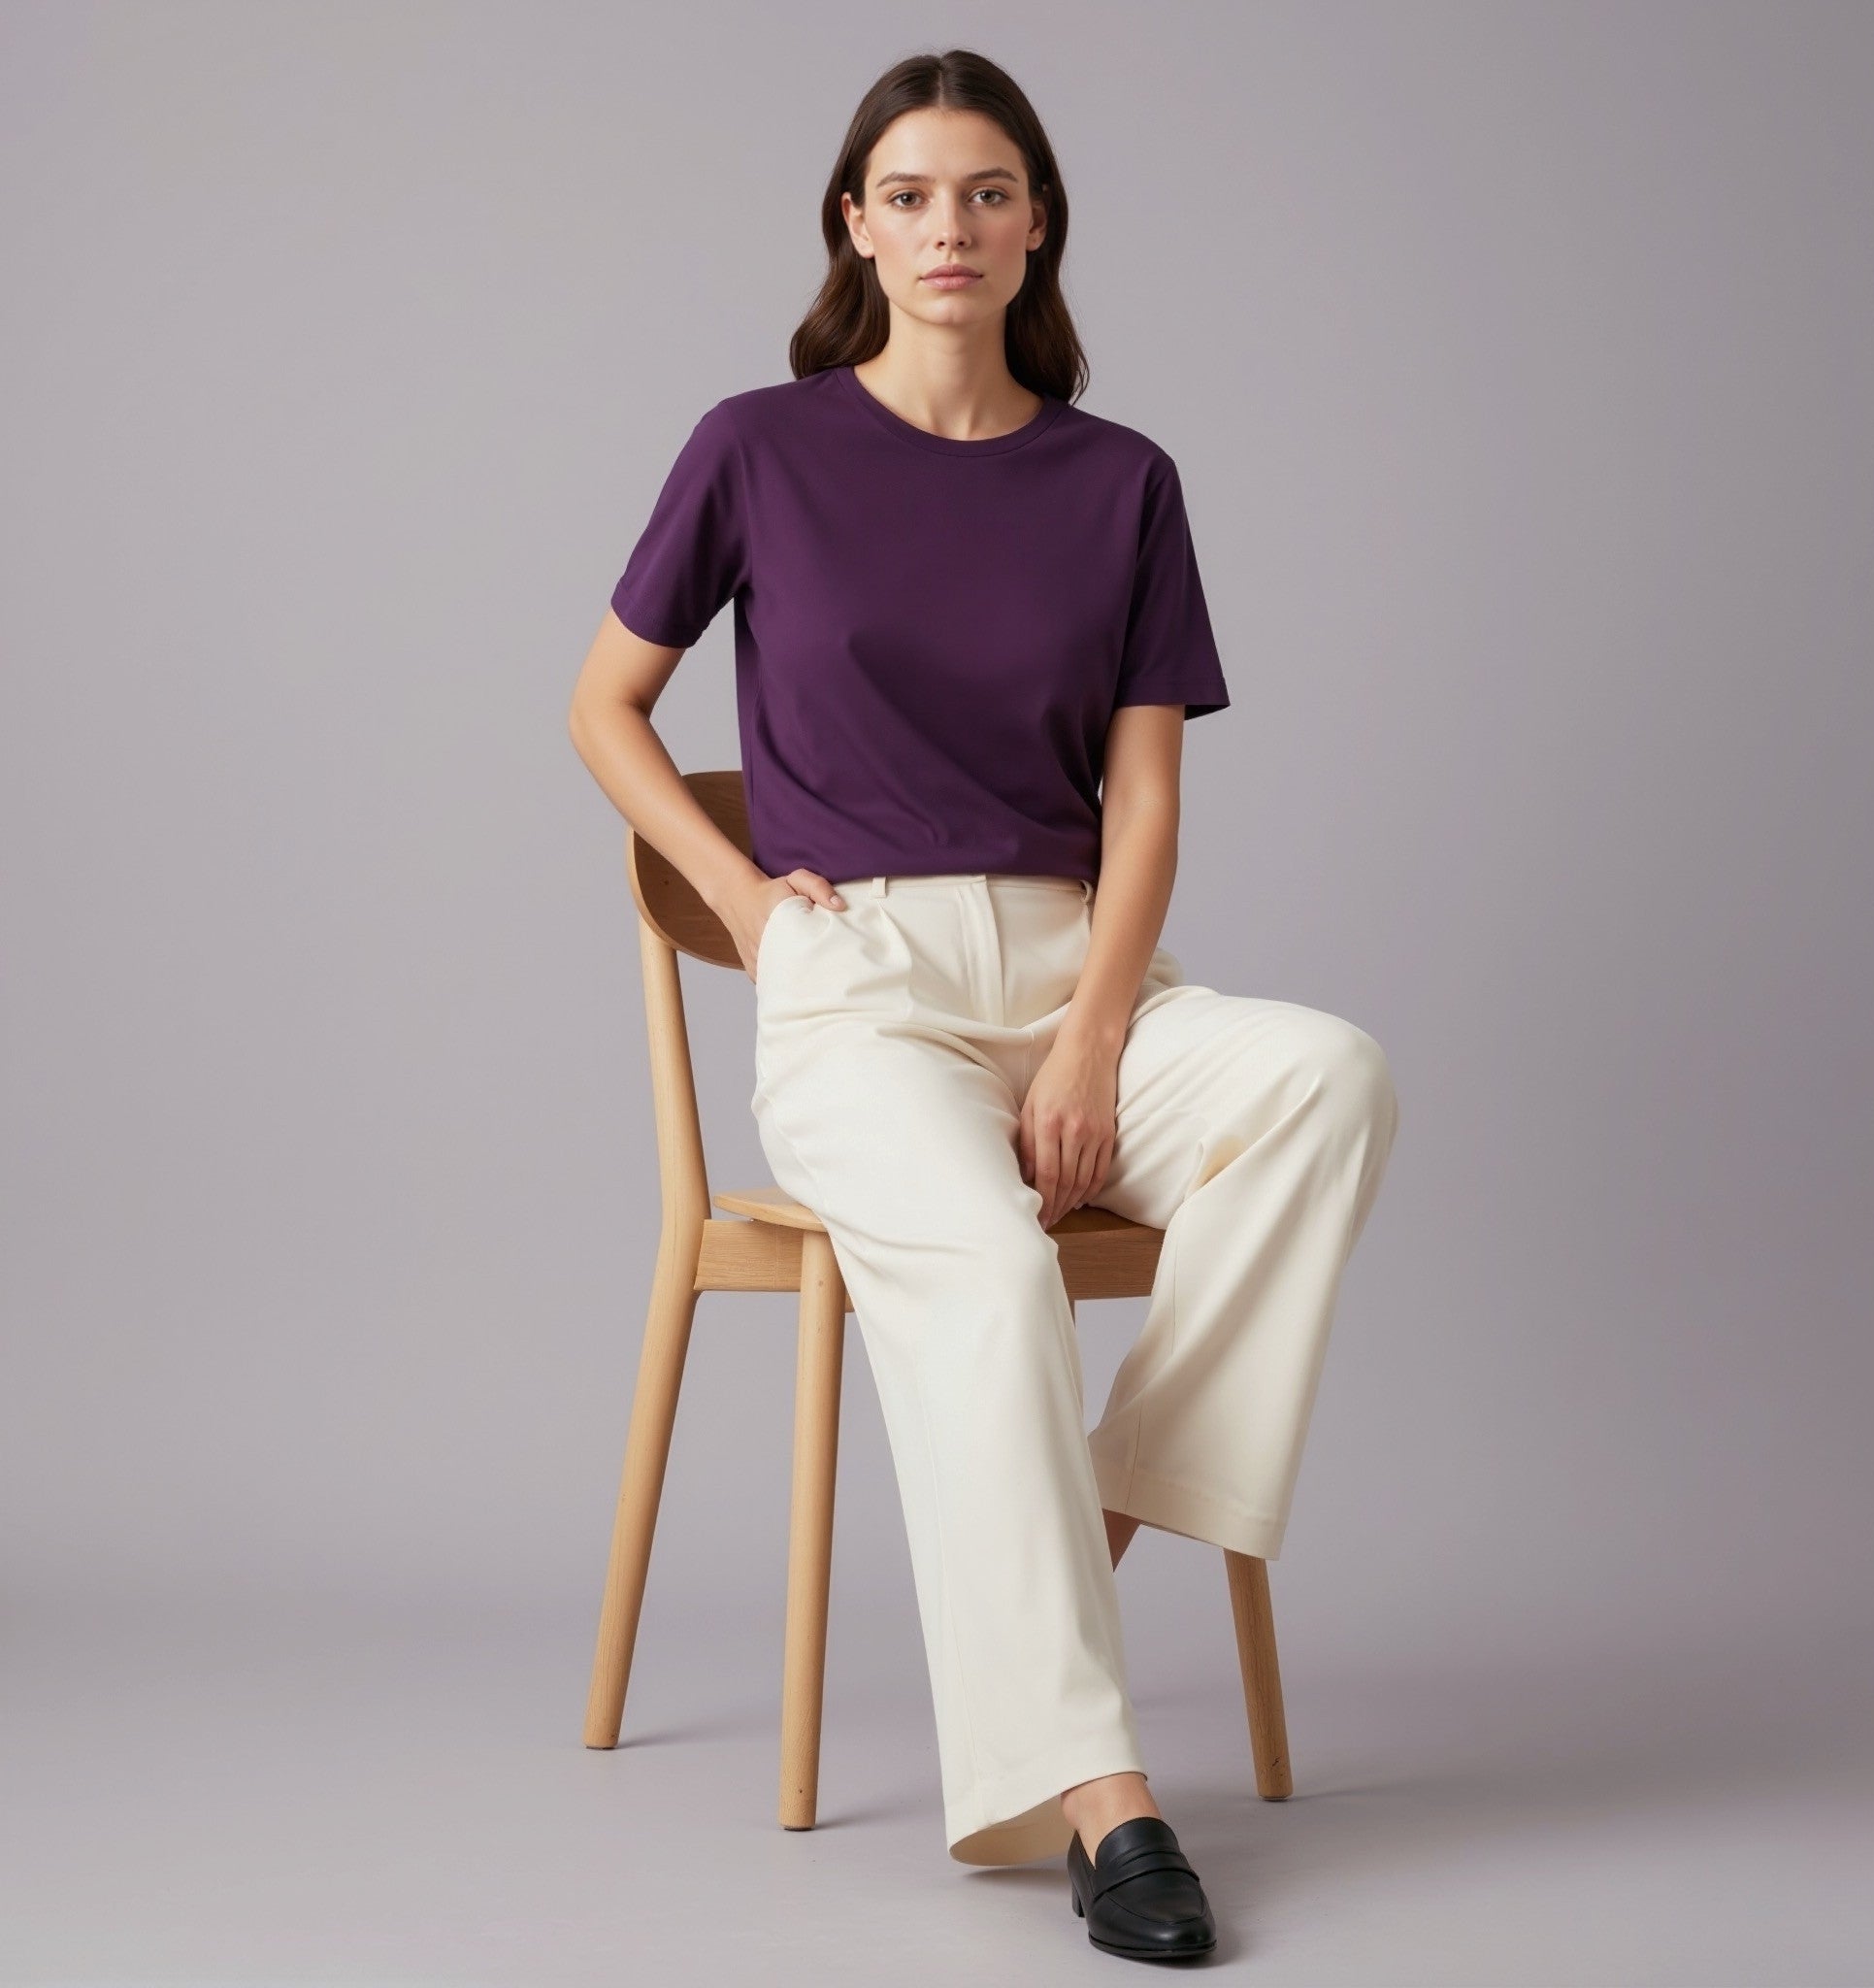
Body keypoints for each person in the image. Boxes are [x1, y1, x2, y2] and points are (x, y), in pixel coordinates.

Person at [568, 47, 1399, 1965]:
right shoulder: (755, 449)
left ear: (1037, 228)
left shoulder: (1121, 482)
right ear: (856, 229)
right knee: (994, 1275)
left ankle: (1081, 1526)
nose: (951, 226)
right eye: (913, 194)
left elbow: (1147, 808)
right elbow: (603, 705)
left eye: (989, 192)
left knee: (1328, 1080)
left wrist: (1097, 1032)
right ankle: (1101, 1797)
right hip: (858, 993)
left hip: (1072, 969)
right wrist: (742, 904)